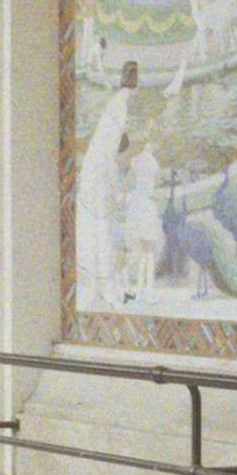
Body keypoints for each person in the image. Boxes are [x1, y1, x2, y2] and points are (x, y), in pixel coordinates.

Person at [75, 61, 137, 309]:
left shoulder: (101, 151)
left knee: (107, 247)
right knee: (106, 247)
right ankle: (108, 290)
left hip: (97, 203)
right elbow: (115, 194)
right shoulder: (108, 160)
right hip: (99, 207)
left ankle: (110, 289)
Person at [121, 144, 164, 302]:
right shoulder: (149, 167)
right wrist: (162, 196)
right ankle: (148, 293)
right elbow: (151, 192)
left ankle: (140, 292)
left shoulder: (137, 165)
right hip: (147, 211)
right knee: (149, 253)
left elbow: (130, 186)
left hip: (137, 211)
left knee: (144, 254)